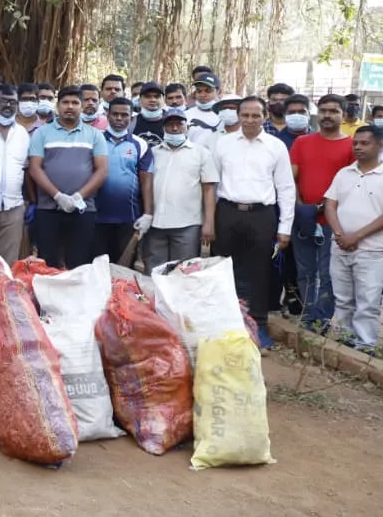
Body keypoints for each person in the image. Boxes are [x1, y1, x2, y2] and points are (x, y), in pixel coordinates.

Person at [212, 97, 295, 349]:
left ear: (265, 116)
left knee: (260, 271)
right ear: (238, 116)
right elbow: (212, 184)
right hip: (227, 212)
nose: (250, 120)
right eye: (245, 115)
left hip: (262, 215)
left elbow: (286, 188)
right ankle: (224, 325)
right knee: (223, 270)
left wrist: (284, 227)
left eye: (255, 115)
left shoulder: (276, 146)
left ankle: (257, 325)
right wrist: (208, 220)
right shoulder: (223, 144)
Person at [289, 93, 355, 328]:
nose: (327, 115)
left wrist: (329, 209)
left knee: (328, 274)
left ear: (343, 115)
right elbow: (292, 179)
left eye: (334, 111)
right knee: (305, 271)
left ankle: (322, 320)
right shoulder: (302, 143)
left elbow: (352, 184)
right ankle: (308, 317)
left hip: (334, 220)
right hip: (304, 217)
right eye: (324, 110)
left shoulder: (351, 145)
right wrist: (300, 208)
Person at [28, 85, 109, 269]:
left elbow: (102, 170)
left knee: (79, 263)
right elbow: (34, 168)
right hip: (49, 209)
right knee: (48, 263)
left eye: (75, 102)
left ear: (81, 106)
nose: (70, 106)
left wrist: (78, 196)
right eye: (65, 102)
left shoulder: (95, 135)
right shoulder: (42, 133)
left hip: (83, 209)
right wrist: (58, 196)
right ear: (58, 106)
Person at [323, 126, 383, 348]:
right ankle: (346, 342)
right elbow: (330, 203)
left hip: (372, 251)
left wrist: (356, 237)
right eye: (355, 143)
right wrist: (339, 234)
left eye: (364, 143)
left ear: (380, 145)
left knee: (368, 302)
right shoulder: (344, 173)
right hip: (340, 248)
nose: (357, 147)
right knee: (343, 299)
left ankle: (365, 346)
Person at [140, 107, 218, 267]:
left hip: (187, 225)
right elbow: (145, 183)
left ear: (187, 127)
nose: (175, 128)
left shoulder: (201, 153)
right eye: (170, 125)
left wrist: (209, 222)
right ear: (163, 128)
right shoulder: (153, 152)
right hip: (155, 224)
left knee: (183, 273)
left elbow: (209, 188)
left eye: (179, 124)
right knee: (155, 272)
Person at [93, 98, 152, 263]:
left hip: (128, 218)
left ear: (131, 117)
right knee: (98, 266)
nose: (119, 118)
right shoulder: (95, 140)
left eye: (124, 115)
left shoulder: (140, 144)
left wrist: (147, 214)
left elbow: (146, 180)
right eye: (115, 114)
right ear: (107, 115)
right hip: (97, 217)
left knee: (124, 269)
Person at [0, 83, 32, 264]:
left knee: (7, 263)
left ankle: (1, 292)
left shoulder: (22, 134)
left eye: (13, 102)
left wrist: (29, 202)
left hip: (13, 207)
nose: (9, 106)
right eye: (3, 101)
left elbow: (26, 170)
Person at [132, 82, 167, 147]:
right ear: (140, 100)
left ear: (163, 99)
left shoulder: (171, 121)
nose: (153, 100)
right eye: (147, 96)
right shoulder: (131, 122)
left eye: (157, 96)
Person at [186, 72, 221, 138]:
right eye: (199, 91)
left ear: (218, 91)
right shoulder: (186, 115)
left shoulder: (225, 115)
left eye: (208, 91)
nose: (202, 95)